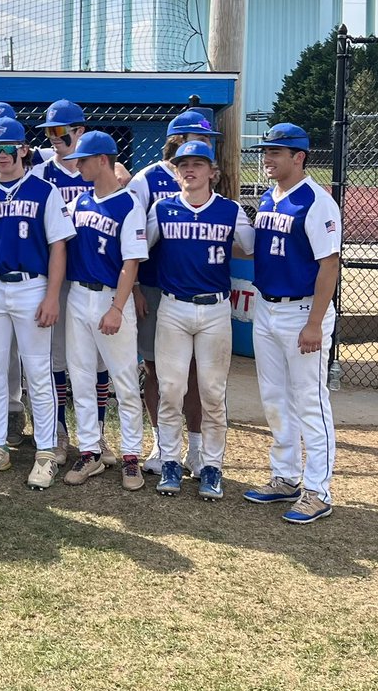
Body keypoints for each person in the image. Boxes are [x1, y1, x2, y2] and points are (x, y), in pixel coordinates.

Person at [0, 117, 75, 489]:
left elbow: (58, 247)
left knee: (37, 372)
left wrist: (52, 295)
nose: (1, 154)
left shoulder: (44, 190)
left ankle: (44, 452)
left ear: (24, 149)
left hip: (31, 286)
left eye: (8, 147)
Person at [243, 123, 341, 524]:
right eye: (266, 150)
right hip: (267, 308)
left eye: (276, 152)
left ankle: (318, 489)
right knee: (274, 396)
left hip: (303, 311)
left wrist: (315, 323)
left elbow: (329, 265)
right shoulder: (270, 196)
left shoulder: (317, 202)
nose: (267, 157)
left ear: (298, 157)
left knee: (310, 401)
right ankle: (284, 476)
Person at [146, 140, 253, 500]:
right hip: (173, 307)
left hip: (215, 309)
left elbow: (251, 248)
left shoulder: (229, 210)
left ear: (212, 172)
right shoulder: (162, 209)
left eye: (197, 164)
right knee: (171, 388)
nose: (189, 170)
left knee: (211, 391)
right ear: (175, 172)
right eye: (183, 164)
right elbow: (138, 250)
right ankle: (171, 460)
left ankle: (211, 466)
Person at [129, 109, 221, 475]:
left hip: (198, 289)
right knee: (157, 371)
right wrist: (133, 287)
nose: (209, 144)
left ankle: (196, 449)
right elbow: (133, 238)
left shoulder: (207, 174)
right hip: (154, 287)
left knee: (198, 372)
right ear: (178, 140)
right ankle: (161, 445)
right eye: (201, 138)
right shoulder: (146, 179)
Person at [59, 130, 148, 491]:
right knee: (80, 377)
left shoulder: (129, 203)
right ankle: (91, 451)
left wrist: (117, 307)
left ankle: (131, 457)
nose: (77, 166)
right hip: (78, 296)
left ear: (102, 160)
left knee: (125, 381)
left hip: (112, 298)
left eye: (82, 160)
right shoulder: (79, 201)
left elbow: (131, 262)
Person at [32, 100, 114, 466]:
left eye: (60, 131)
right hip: (54, 280)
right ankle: (60, 432)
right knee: (58, 360)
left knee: (96, 362)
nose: (54, 139)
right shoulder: (39, 173)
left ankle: (96, 434)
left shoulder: (96, 174)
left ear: (80, 132)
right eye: (49, 133)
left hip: (88, 278)